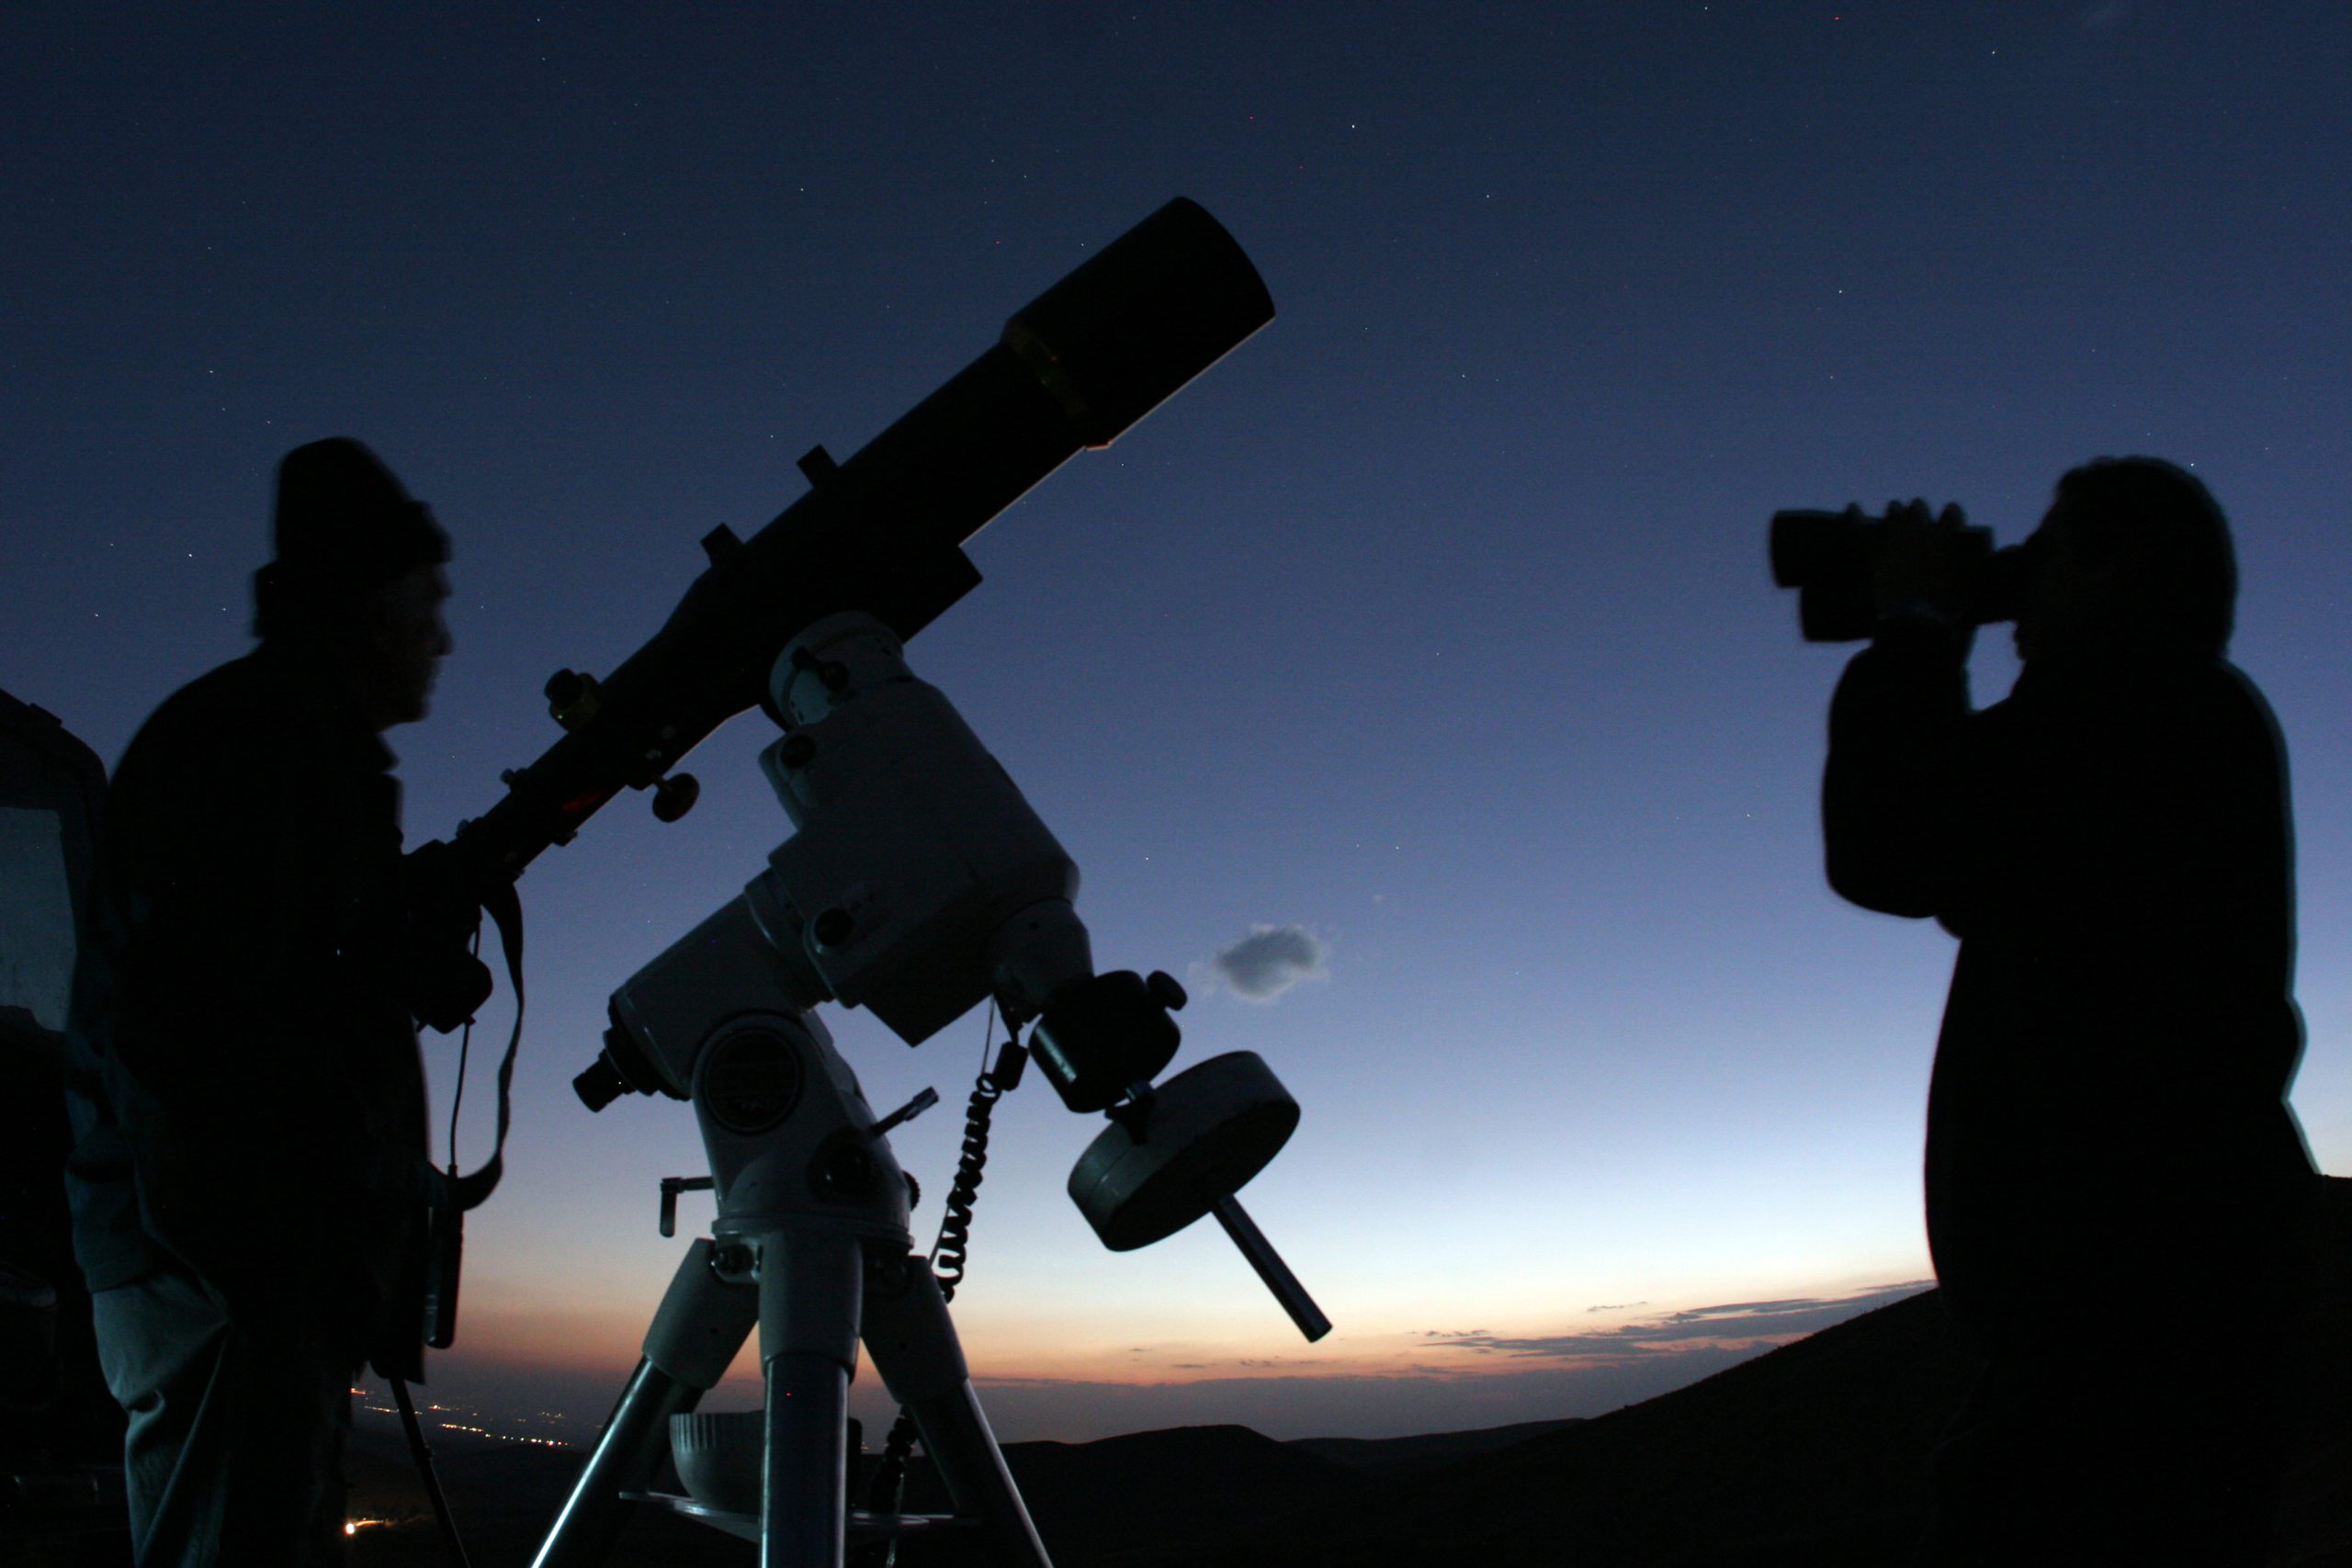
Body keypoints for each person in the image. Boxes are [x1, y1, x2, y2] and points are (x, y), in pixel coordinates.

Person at [1818, 457, 2319, 1563]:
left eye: (2046, 553)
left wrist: (1912, 620)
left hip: (2131, 1310)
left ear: (2120, 569)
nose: (2017, 581)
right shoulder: (2167, 712)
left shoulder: (2138, 705)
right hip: (2160, 1291)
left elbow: (1892, 841)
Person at [62, 438, 469, 1565]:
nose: (444, 636)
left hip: (248, 1278)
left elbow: (286, 985)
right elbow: (187, 1031)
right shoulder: (252, 744)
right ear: (372, 601)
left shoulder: (290, 744)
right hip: (225, 1287)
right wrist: (264, 1284)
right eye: (428, 602)